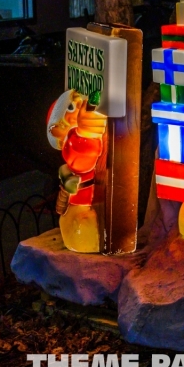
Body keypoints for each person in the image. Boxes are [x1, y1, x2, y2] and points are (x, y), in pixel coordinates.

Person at [46, 89, 107, 253]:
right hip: (82, 217)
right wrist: (86, 133)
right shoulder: (71, 145)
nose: (80, 106)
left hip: (97, 208)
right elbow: (82, 157)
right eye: (72, 107)